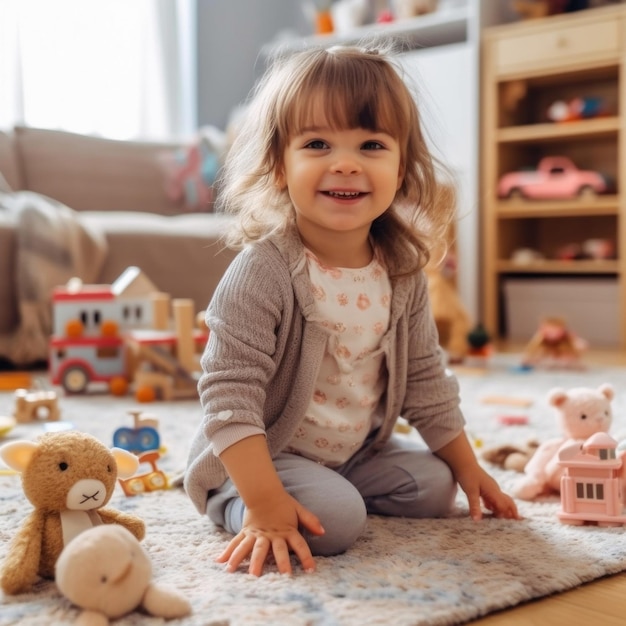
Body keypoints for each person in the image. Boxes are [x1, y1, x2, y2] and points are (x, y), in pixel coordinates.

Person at [184, 43, 519, 578]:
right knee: (337, 522)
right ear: (279, 165)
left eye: (371, 144)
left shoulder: (402, 270)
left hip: (355, 451)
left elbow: (426, 378)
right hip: (263, 452)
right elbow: (229, 399)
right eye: (317, 143)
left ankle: (331, 488)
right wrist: (266, 506)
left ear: (402, 167)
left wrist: (471, 469)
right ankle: (233, 500)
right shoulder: (263, 272)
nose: (345, 163)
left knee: (436, 486)